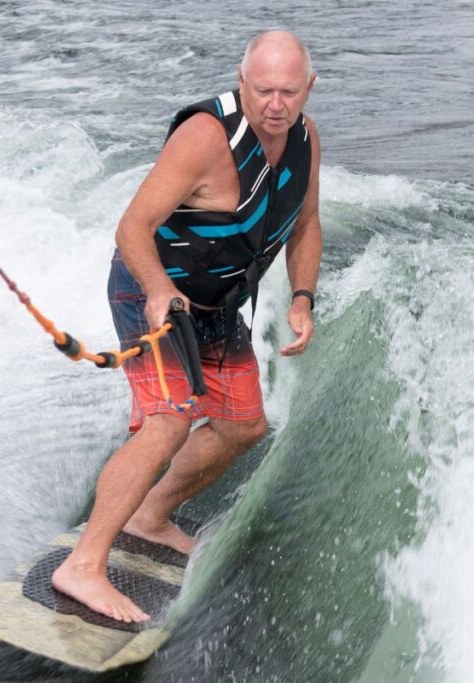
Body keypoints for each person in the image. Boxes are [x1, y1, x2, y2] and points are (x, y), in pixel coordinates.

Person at [51, 30, 322, 623]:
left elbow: (305, 225)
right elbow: (132, 228)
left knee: (243, 426)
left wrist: (301, 297)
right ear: (241, 79)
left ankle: (150, 515)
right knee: (168, 422)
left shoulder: (304, 140)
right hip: (151, 290)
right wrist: (157, 290)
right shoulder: (204, 138)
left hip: (219, 302)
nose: (276, 104)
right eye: (263, 89)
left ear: (309, 88)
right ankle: (82, 566)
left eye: (289, 91)